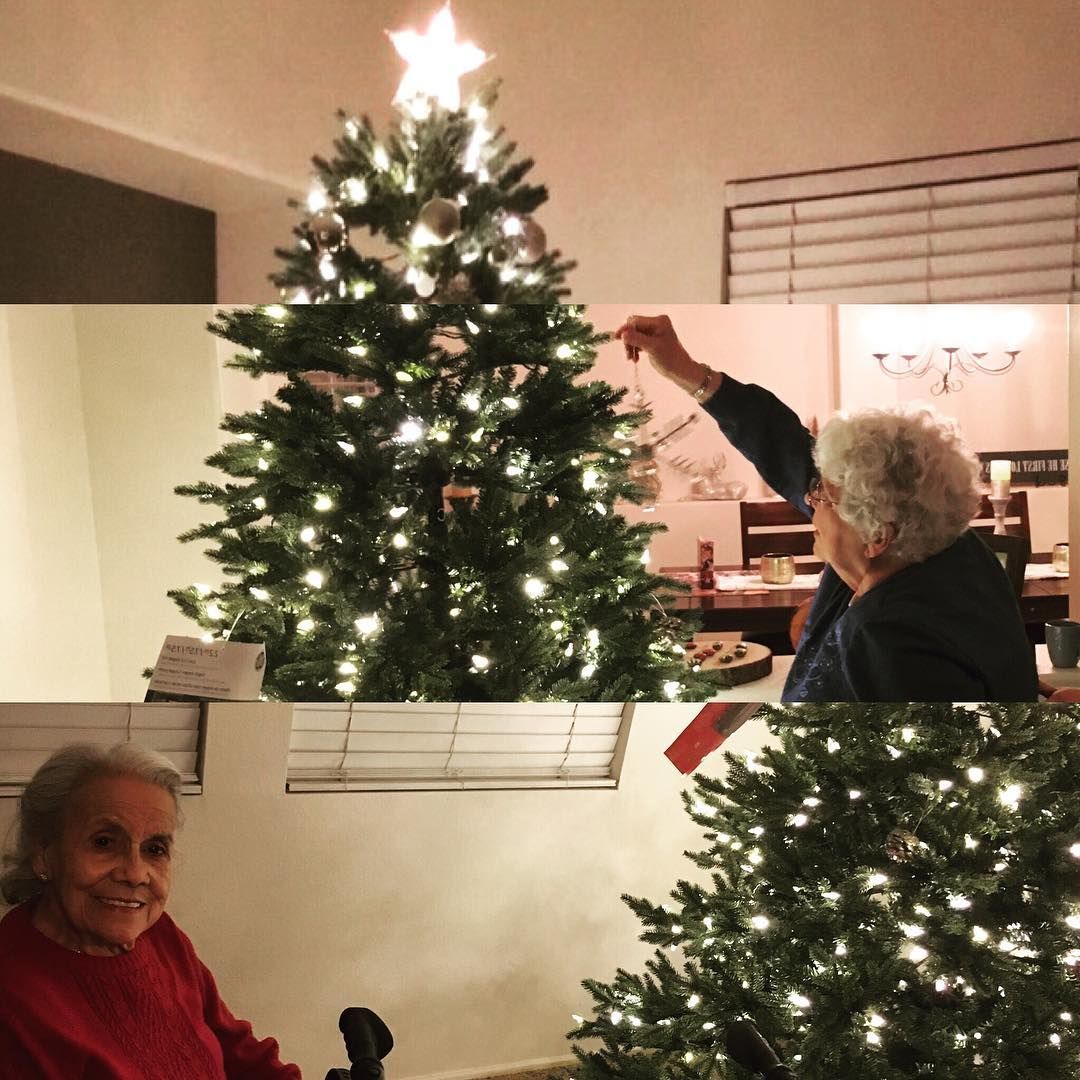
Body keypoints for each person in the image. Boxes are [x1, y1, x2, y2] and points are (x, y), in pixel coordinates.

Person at [616, 314, 1038, 702]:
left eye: (822, 496)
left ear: (876, 535)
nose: (809, 500)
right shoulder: (948, 545)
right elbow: (785, 445)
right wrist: (686, 370)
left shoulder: (887, 639)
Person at [0, 742, 302, 1079]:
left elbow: (238, 1052)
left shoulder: (160, 936)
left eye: (155, 849)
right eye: (103, 842)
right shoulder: (13, 1000)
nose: (135, 874)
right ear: (44, 854)